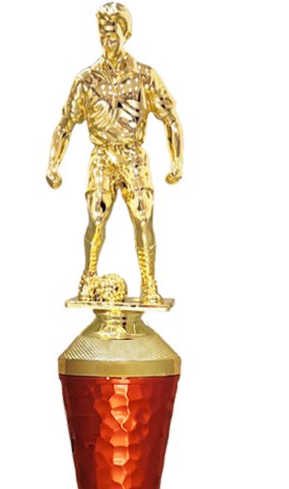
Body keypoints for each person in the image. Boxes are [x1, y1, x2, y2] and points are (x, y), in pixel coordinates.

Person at [46, 3, 183, 304]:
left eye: (112, 35)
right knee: (96, 218)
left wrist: (176, 161)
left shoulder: (144, 77)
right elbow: (65, 124)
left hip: (133, 157)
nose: (107, 41)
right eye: (102, 34)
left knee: (143, 217)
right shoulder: (87, 81)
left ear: (126, 34)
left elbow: (170, 117)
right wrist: (53, 164)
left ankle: (149, 284)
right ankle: (88, 276)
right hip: (102, 157)